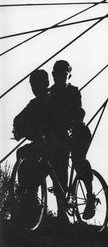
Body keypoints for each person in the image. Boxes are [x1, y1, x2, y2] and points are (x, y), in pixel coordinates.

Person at [48, 60, 95, 220]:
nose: (59, 77)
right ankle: (62, 210)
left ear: (69, 75)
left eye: (63, 74)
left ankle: (90, 196)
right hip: (60, 134)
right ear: (53, 75)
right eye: (56, 74)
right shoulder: (50, 93)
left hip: (78, 132)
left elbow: (79, 111)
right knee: (58, 170)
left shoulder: (74, 91)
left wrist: (71, 125)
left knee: (78, 160)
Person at [12, 69, 50, 221]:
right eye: (32, 86)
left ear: (46, 84)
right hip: (41, 143)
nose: (34, 89)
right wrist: (18, 130)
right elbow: (19, 118)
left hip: (55, 143)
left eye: (37, 85)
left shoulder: (52, 100)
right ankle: (25, 189)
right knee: (22, 153)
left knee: (43, 162)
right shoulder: (34, 104)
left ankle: (31, 191)